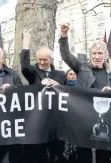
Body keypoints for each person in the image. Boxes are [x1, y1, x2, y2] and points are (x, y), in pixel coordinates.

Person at [59, 22, 111, 163]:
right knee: (83, 154)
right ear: (90, 55)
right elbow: (66, 55)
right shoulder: (81, 68)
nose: (97, 56)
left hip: (105, 119)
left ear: (105, 56)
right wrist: (64, 35)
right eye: (94, 53)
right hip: (84, 117)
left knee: (104, 156)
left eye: (100, 53)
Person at [19, 29, 66, 163]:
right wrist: (26, 43)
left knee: (56, 153)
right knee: (37, 154)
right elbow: (24, 67)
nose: (41, 62)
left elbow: (68, 93)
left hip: (56, 120)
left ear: (51, 60)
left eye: (44, 59)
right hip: (38, 119)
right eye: (39, 59)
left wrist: (57, 85)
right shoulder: (33, 72)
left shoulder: (61, 74)